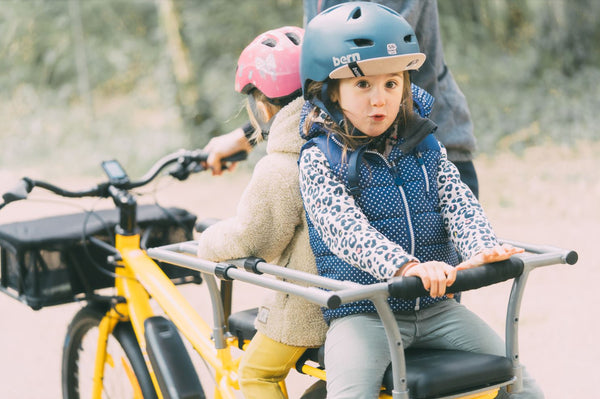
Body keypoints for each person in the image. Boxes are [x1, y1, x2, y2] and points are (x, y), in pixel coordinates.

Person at [297, 3, 543, 398]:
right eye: (363, 85)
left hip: (435, 308)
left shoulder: (423, 144)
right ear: (328, 90)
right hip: (364, 313)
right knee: (350, 391)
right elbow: (343, 228)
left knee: (517, 379)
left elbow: (456, 200)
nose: (380, 100)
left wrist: (480, 248)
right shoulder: (319, 159)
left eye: (391, 84)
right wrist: (404, 266)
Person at [205, 0, 480, 198]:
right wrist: (250, 134)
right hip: (359, 159)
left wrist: (251, 135)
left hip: (418, 159)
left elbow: (370, 64)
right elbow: (317, 78)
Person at [194, 26, 328, 399]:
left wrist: (209, 239)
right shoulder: (345, 145)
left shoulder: (281, 167)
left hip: (309, 306)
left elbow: (255, 237)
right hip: (355, 293)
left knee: (255, 374)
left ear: (263, 107)